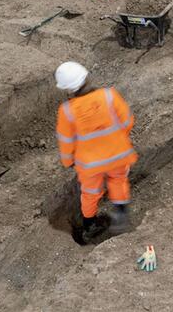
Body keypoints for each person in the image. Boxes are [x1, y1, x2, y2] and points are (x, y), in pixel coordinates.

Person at [55, 61, 137, 244]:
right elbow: (127, 121)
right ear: (86, 77)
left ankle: (90, 225)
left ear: (67, 89)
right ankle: (121, 215)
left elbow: (66, 142)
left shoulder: (66, 112)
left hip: (90, 164)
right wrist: (117, 140)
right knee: (118, 181)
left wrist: (68, 161)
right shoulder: (109, 96)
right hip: (118, 154)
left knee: (90, 193)